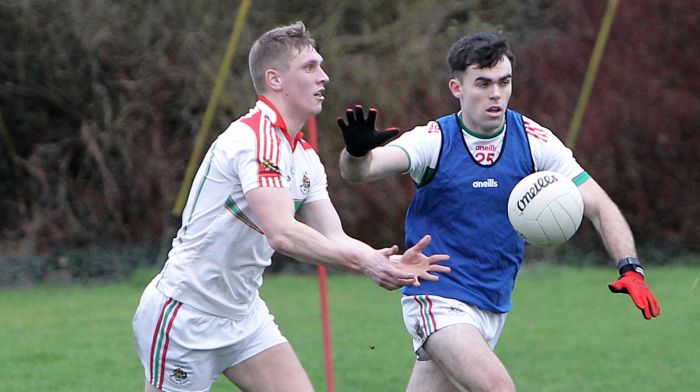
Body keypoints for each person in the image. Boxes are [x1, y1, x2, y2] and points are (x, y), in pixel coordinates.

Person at [132, 21, 450, 392]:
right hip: (186, 315)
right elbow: (282, 233)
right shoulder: (255, 138)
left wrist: (384, 261)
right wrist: (366, 262)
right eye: (310, 67)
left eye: (321, 66)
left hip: (243, 317)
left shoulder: (303, 157)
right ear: (275, 79)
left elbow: (333, 235)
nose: (324, 77)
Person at [336, 32, 661, 391]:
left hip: (492, 303)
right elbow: (362, 172)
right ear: (456, 88)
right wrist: (356, 153)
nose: (496, 93)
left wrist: (630, 267)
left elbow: (599, 205)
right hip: (437, 298)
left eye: (504, 82)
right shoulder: (434, 139)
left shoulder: (534, 140)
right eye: (483, 83)